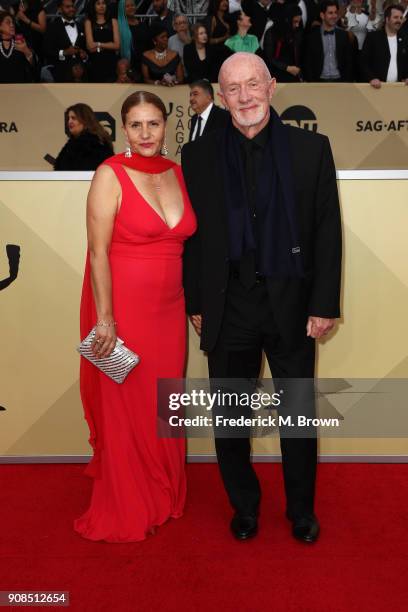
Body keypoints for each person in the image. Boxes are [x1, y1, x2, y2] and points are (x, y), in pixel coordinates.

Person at [182, 52, 341, 543]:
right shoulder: (197, 154)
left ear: (272, 87)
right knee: (230, 417)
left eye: (253, 84)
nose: (245, 95)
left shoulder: (311, 149)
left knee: (297, 416)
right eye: (234, 88)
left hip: (292, 305)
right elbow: (193, 237)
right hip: (228, 306)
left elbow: (326, 231)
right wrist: (196, 301)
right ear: (221, 95)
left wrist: (324, 304)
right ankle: (244, 506)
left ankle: (301, 511)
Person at [74, 91, 197, 542]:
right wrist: (105, 318)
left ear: (167, 126)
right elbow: (98, 251)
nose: (146, 133)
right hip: (124, 308)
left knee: (166, 402)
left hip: (171, 308)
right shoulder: (110, 174)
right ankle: (131, 497)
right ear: (123, 129)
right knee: (128, 405)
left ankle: (163, 490)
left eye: (154, 123)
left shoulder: (178, 173)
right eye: (136, 125)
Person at [304, 0, 353, 82]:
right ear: (322, 15)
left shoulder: (343, 35)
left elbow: (348, 62)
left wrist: (346, 81)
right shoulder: (312, 37)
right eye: (330, 13)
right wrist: (311, 82)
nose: (334, 16)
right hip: (318, 82)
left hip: (340, 81)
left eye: (335, 12)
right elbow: (307, 63)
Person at [54, 103, 113, 170]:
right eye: (68, 118)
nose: (69, 121)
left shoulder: (98, 144)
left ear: (85, 120)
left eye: (73, 118)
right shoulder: (70, 145)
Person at [360, 3, 408, 87]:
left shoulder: (405, 39)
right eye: (395, 17)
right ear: (387, 19)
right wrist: (371, 78)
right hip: (377, 88)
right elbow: (363, 62)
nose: (399, 21)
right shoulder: (373, 37)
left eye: (401, 18)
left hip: (399, 88)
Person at [43, 0, 88, 82]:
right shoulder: (52, 27)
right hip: (61, 73)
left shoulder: (81, 26)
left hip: (82, 73)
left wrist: (85, 56)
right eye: (67, 7)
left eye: (72, 6)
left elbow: (86, 49)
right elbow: (46, 50)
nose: (71, 9)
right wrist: (64, 52)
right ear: (60, 9)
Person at [263, 4, 304, 82]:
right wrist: (287, 68)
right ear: (287, 19)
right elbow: (269, 58)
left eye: (299, 21)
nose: (297, 25)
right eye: (295, 21)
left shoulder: (297, 32)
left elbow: (300, 56)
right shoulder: (272, 32)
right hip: (276, 77)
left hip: (294, 76)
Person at [84, 0, 120, 82]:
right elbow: (90, 47)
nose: (101, 6)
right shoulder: (88, 22)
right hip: (94, 62)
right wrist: (110, 45)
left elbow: (117, 45)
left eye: (103, 3)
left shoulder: (113, 21)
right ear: (93, 6)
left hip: (111, 62)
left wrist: (98, 44)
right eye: (98, 3)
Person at [117, 0, 150, 82]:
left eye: (132, 5)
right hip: (128, 69)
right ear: (122, 9)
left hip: (144, 66)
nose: (131, 8)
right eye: (127, 6)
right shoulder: (118, 27)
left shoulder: (143, 25)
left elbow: (149, 46)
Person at [0, 10, 35, 83]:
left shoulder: (21, 43)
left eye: (13, 22)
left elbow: (33, 69)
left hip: (20, 89)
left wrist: (27, 52)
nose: (12, 25)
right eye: (8, 22)